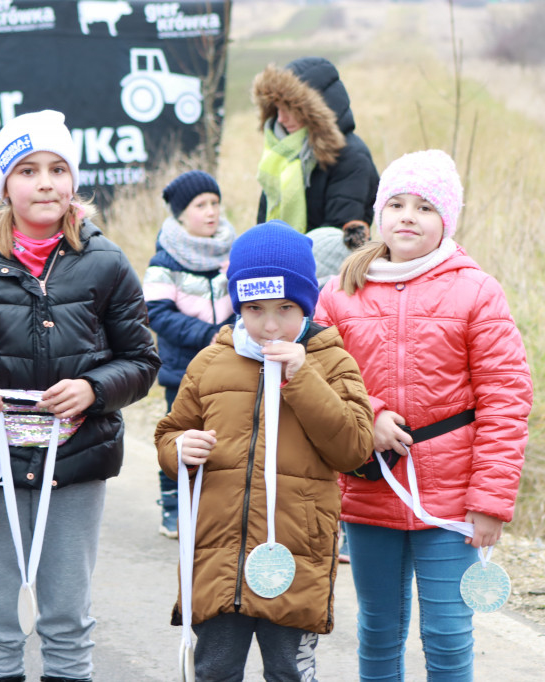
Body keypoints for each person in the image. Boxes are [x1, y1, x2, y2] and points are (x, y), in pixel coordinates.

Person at [0, 110, 160, 682]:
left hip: (76, 466)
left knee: (66, 619)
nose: (45, 182)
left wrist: (92, 389)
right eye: (28, 169)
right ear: (4, 183)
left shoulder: (106, 264)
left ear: (74, 179)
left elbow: (142, 360)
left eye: (58, 168)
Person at [314, 150, 533, 681]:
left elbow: (506, 398)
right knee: (378, 633)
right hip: (370, 488)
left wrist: (489, 502)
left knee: (449, 636)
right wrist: (371, 415)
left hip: (454, 504)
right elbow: (316, 380)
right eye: (397, 203)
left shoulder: (476, 290)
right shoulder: (340, 293)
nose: (408, 216)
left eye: (426, 207)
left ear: (447, 222)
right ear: (378, 213)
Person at [155, 220, 374, 681]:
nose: (270, 325)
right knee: (213, 670)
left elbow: (354, 449)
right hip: (217, 556)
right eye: (254, 309)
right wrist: (180, 450)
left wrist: (305, 379)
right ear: (237, 306)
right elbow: (170, 433)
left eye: (285, 308)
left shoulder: (332, 362)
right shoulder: (211, 361)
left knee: (289, 673)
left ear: (308, 306)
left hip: (295, 556)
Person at [142, 170, 236, 538]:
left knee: (222, 437)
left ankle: (213, 507)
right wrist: (209, 335)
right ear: (181, 214)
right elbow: (158, 314)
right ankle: (173, 507)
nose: (211, 211)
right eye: (201, 205)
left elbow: (246, 300)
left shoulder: (233, 252)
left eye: (215, 203)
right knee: (179, 438)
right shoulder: (164, 261)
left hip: (230, 365)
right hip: (183, 369)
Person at [252, 56, 379, 251]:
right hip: (281, 266)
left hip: (329, 277)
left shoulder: (352, 159)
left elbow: (334, 245)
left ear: (315, 111)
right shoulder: (282, 156)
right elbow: (262, 228)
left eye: (290, 109)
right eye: (277, 108)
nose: (281, 118)